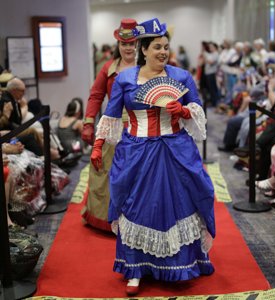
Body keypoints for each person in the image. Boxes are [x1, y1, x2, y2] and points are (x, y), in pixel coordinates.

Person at [90, 18, 215, 296]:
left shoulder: (181, 77)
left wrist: (184, 112)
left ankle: (183, 263)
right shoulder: (124, 79)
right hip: (137, 151)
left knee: (181, 204)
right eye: (157, 47)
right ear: (143, 49)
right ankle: (134, 269)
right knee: (135, 207)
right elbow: (110, 114)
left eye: (166, 47)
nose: (163, 52)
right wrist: (98, 144)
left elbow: (197, 109)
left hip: (175, 149)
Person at [81, 18, 137, 231]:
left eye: (132, 43)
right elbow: (95, 96)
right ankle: (106, 219)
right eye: (124, 44)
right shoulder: (108, 68)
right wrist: (88, 123)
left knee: (139, 174)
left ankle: (138, 222)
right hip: (113, 128)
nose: (128, 47)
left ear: (138, 44)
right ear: (118, 45)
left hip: (140, 128)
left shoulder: (147, 67)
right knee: (105, 172)